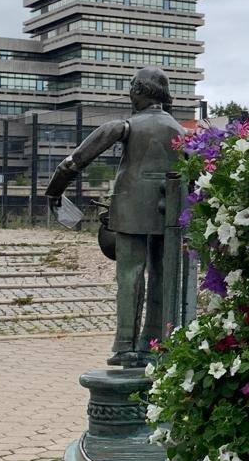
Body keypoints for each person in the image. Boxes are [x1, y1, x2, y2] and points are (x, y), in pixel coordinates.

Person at [45, 67, 184, 368]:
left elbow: (73, 162)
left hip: (130, 210)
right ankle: (152, 343)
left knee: (130, 275)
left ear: (138, 92)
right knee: (161, 275)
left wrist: (54, 193)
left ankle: (125, 345)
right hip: (168, 212)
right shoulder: (181, 132)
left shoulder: (125, 126)